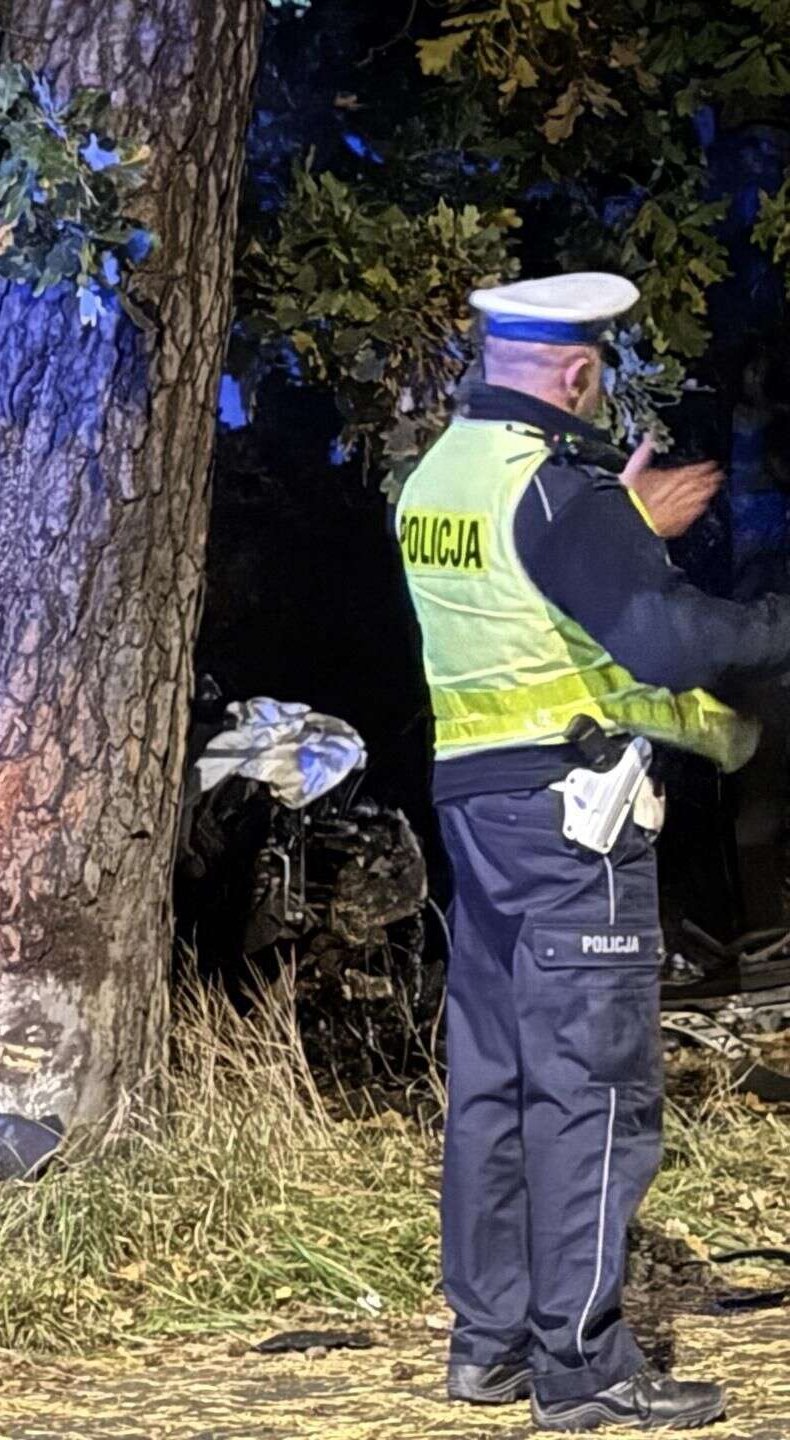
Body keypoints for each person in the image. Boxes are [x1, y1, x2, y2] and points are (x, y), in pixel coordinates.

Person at [395, 272, 790, 1432]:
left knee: (496, 1083)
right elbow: (666, 644)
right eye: (598, 374)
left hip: (478, 807)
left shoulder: (439, 480)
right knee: (596, 1091)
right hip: (578, 821)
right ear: (577, 372)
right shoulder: (556, 490)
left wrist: (617, 529)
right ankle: (585, 1367)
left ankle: (493, 1346)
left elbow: (528, 611)